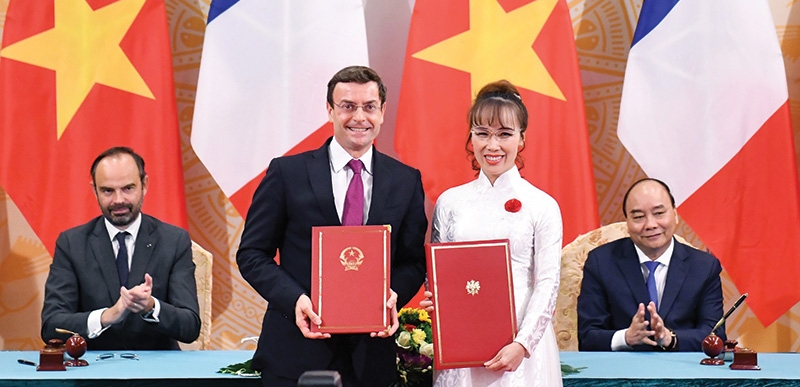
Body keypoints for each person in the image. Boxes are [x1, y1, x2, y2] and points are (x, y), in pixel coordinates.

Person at [237, 65, 428, 387]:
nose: (359, 117)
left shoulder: (406, 180)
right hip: (295, 353)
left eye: (369, 107)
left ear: (382, 111)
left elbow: (413, 261)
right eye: (348, 106)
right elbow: (252, 254)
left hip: (371, 358)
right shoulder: (287, 173)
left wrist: (392, 295)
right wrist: (295, 299)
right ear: (330, 110)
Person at [422, 80, 563, 387]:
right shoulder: (449, 202)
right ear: (471, 137)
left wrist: (522, 344)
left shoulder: (542, 205)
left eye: (504, 134)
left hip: (521, 345)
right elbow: (437, 273)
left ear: (522, 138)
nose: (492, 145)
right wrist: (437, 299)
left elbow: (548, 282)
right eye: (482, 133)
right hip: (462, 341)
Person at [41, 146, 201, 350]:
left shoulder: (174, 241)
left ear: (144, 185)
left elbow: (190, 327)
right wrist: (107, 316)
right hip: (95, 365)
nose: (118, 200)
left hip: (156, 365)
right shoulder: (72, 244)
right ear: (94, 190)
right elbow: (51, 326)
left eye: (128, 188)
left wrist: (151, 306)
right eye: (107, 191)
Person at [577, 177, 725, 351]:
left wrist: (671, 339)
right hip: (623, 365)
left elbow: (715, 336)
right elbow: (587, 336)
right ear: (627, 222)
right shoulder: (601, 262)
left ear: (675, 214)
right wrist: (626, 337)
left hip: (681, 365)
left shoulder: (704, 267)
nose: (651, 225)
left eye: (659, 213)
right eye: (639, 217)